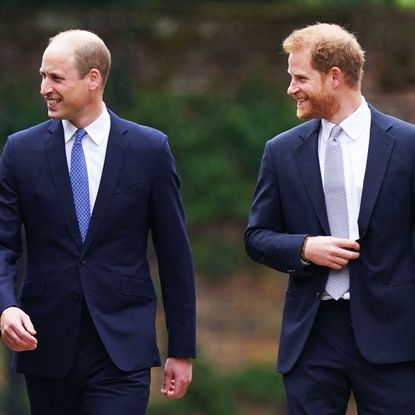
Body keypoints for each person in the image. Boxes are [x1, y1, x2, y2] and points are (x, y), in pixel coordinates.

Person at [0, 29, 196, 415]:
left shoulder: (149, 149)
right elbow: (2, 244)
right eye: (43, 76)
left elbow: (175, 256)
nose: (44, 88)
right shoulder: (19, 151)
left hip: (122, 348)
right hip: (46, 345)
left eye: (56, 78)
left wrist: (182, 349)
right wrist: (6, 306)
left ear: (93, 79)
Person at [245, 22, 415, 414]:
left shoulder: (407, 145)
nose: (291, 88)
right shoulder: (281, 151)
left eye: (300, 77)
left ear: (334, 76)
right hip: (312, 336)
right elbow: (256, 236)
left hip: (394, 338)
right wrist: (304, 247)